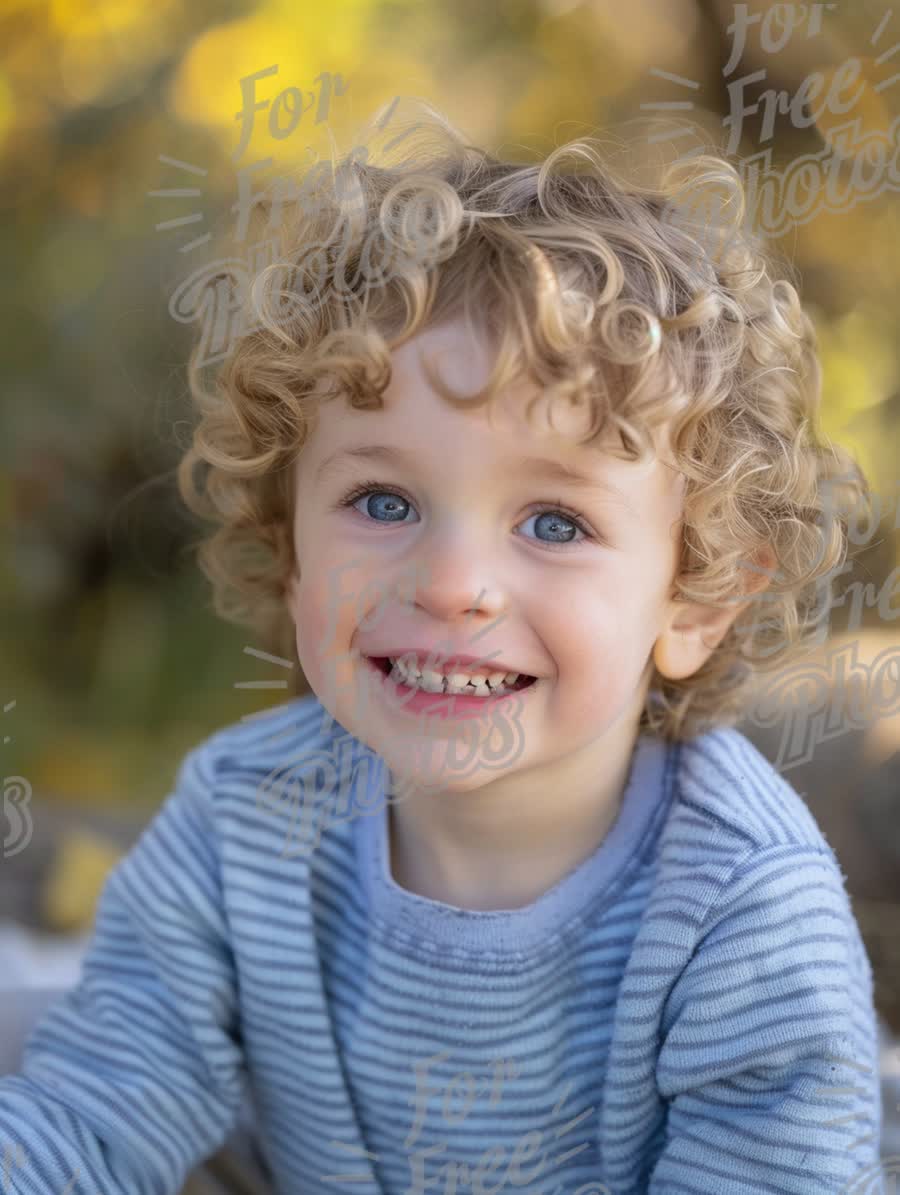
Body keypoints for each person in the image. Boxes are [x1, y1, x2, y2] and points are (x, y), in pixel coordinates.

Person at [0, 98, 884, 1194]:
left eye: (554, 523)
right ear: (287, 546)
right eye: (381, 500)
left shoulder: (740, 911)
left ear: (693, 601)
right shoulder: (243, 825)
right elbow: (92, 1120)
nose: (453, 584)